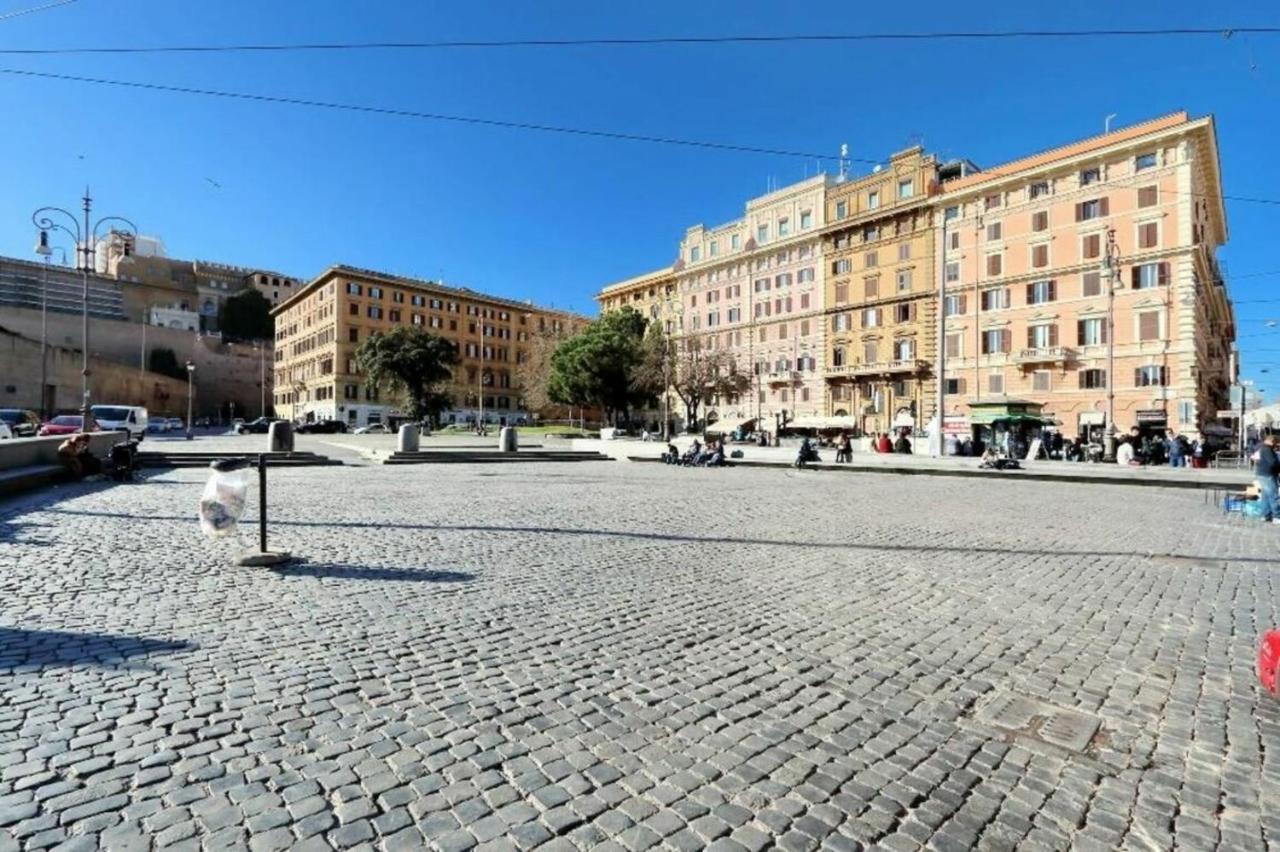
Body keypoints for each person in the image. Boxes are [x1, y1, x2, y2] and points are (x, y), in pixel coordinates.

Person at [1255, 433, 1280, 523]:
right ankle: (1277, 516)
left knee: (1266, 496)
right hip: (1268, 474)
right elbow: (1272, 462)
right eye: (1276, 443)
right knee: (1273, 495)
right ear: (1272, 441)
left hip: (1262, 474)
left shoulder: (1262, 447)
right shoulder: (1267, 449)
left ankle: (1266, 515)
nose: (1276, 445)